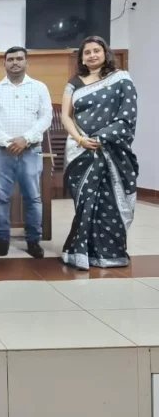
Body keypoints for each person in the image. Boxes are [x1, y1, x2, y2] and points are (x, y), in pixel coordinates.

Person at [59, 36, 139, 270]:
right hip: (81, 151)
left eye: (96, 50)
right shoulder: (74, 83)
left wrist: (101, 137)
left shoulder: (121, 78)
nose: (92, 55)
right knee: (85, 203)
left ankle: (110, 253)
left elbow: (127, 115)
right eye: (87, 52)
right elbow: (66, 116)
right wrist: (80, 139)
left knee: (110, 203)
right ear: (82, 58)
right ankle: (80, 252)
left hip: (113, 149)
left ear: (105, 53)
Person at [0, 46, 52, 258]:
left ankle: (33, 241)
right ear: (4, 63)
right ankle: (2, 239)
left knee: (33, 198)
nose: (15, 62)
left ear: (26, 62)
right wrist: (7, 142)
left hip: (30, 150)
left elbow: (45, 118)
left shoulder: (39, 87)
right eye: (10, 59)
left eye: (19, 59)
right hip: (1, 152)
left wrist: (26, 139)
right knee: (0, 198)